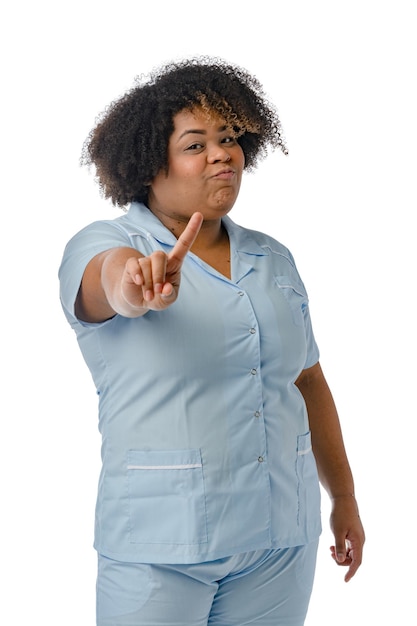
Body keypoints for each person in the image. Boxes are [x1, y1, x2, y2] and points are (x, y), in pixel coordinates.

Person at [59, 57, 365, 626]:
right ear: (151, 163)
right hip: (161, 547)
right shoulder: (105, 243)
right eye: (195, 144)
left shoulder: (273, 256)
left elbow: (308, 379)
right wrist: (137, 284)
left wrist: (342, 497)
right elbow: (111, 285)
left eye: (228, 138)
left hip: (279, 539)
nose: (222, 154)